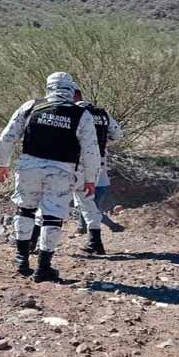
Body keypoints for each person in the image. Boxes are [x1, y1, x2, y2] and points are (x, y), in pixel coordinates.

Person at [0, 72, 101, 282]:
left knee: (25, 210)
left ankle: (21, 259)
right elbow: (91, 150)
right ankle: (43, 267)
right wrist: (91, 178)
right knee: (52, 216)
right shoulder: (81, 114)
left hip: (28, 167)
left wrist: (2, 164)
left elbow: (8, 136)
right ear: (71, 90)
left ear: (49, 87)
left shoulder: (31, 107)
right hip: (62, 171)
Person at [72, 88, 124, 255]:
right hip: (100, 166)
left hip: (77, 166)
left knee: (86, 204)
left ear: (73, 97)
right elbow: (117, 134)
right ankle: (93, 237)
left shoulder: (73, 113)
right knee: (89, 204)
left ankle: (100, 236)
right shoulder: (102, 113)